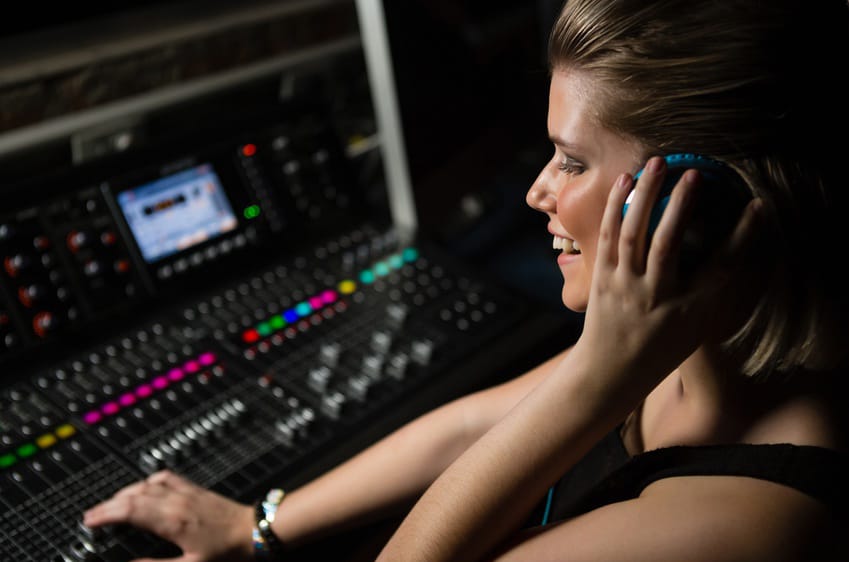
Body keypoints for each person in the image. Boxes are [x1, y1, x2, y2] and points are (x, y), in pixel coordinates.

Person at [83, 0, 849, 560]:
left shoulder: (750, 516)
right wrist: (253, 524)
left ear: (700, 208)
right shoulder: (694, 337)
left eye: (572, 162)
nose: (536, 191)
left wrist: (593, 377)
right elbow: (466, 426)